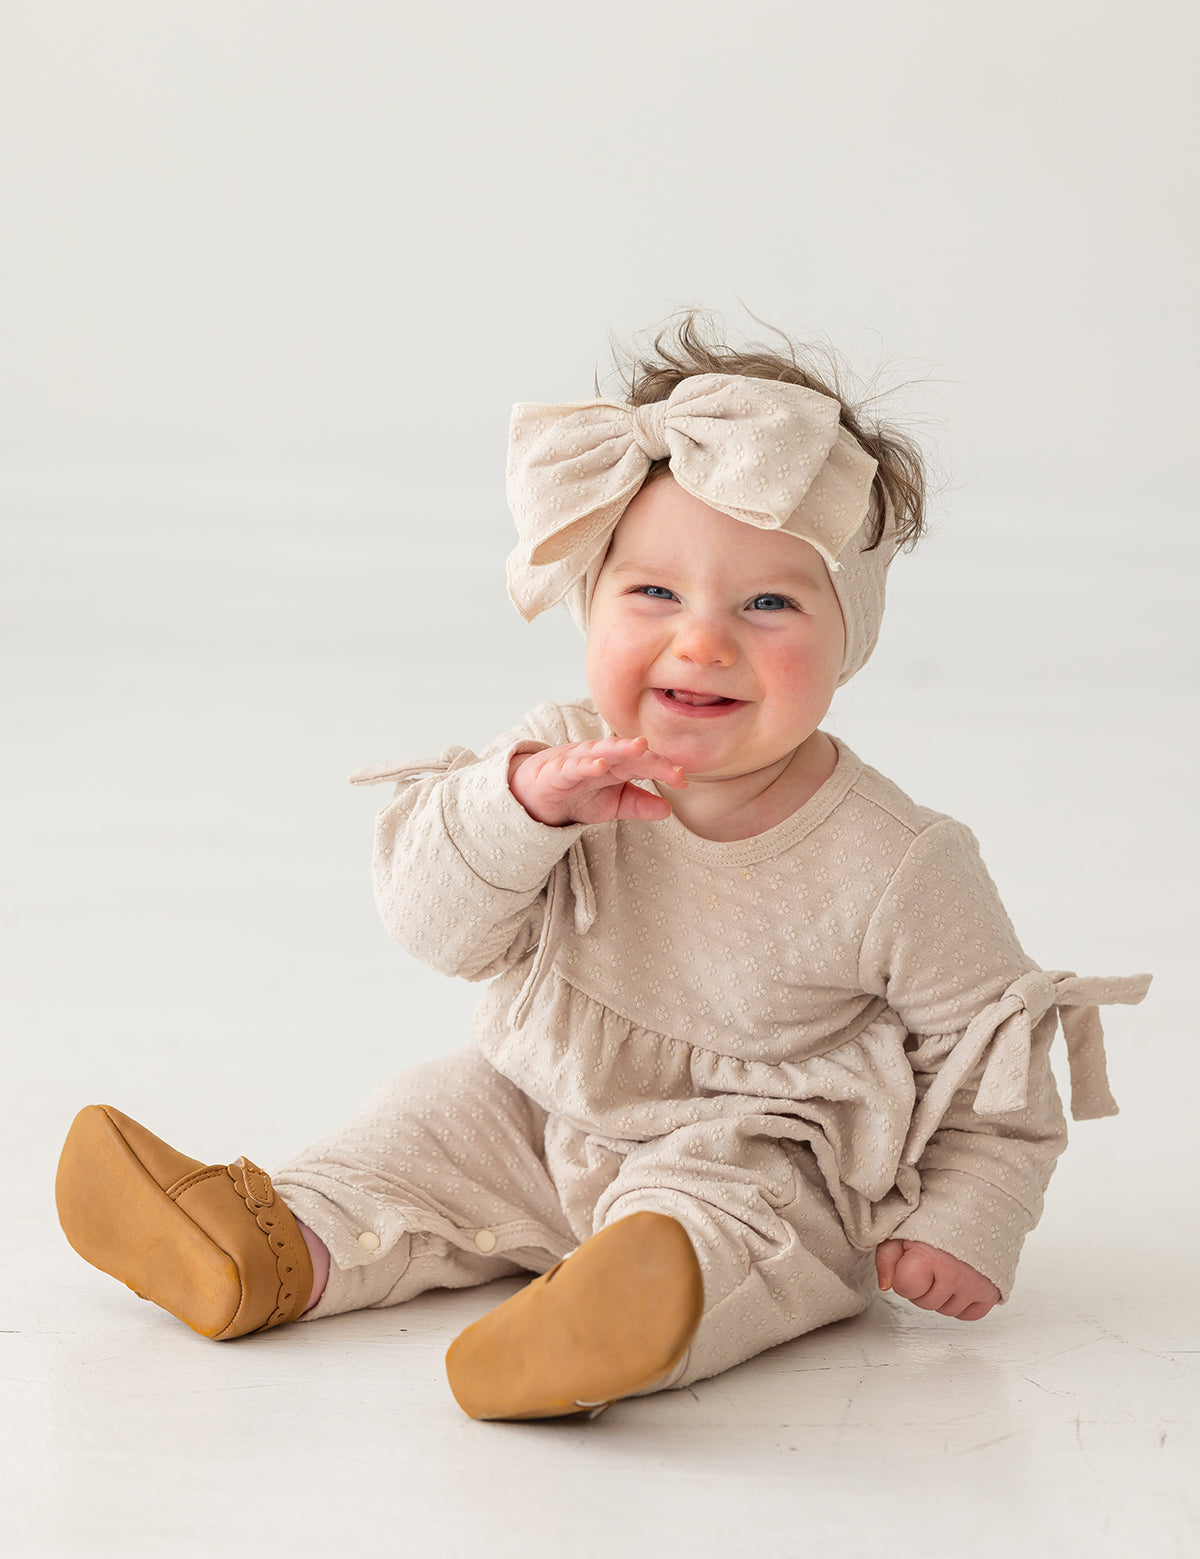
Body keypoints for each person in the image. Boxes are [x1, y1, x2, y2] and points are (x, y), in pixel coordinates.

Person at [56, 312, 1151, 1421]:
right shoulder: (555, 758)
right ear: (592, 597)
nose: (703, 640)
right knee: (424, 1121)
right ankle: (267, 1246)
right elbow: (436, 930)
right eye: (654, 593)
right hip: (540, 1101)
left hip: (754, 1147)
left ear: (850, 633)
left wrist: (966, 1215)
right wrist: (519, 807)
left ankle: (621, 1316)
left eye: (767, 601)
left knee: (737, 1225)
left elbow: (989, 1067)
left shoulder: (901, 859)